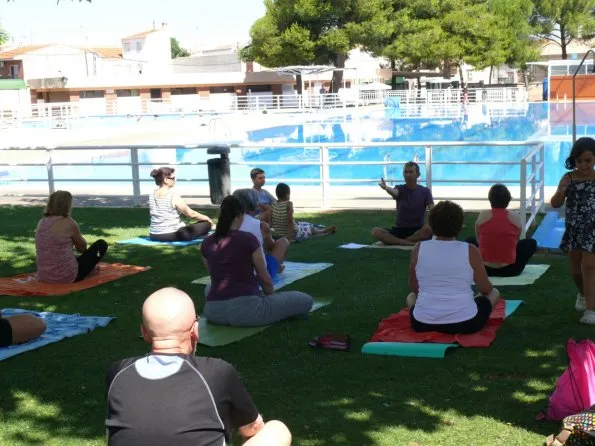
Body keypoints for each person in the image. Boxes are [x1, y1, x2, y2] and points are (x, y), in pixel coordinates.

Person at [105, 287, 292, 446]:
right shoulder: (217, 372)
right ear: (195, 330)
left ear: (144, 333)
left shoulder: (117, 372)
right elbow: (253, 427)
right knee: (277, 429)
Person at [200, 196, 313, 326]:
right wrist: (271, 299)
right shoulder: (249, 239)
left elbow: (215, 277)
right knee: (305, 300)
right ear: (240, 216)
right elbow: (264, 278)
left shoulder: (207, 242)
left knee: (209, 288)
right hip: (246, 311)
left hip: (213, 313)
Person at [406, 201, 500, 334]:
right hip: (465, 323)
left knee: (411, 297)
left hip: (422, 323)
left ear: (431, 225)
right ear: (460, 226)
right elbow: (486, 289)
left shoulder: (419, 248)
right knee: (494, 292)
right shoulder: (470, 250)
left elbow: (414, 288)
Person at [551, 137, 595, 325]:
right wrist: (561, 191)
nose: (584, 165)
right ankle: (583, 294)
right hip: (575, 228)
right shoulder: (568, 178)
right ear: (574, 160)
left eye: (588, 160)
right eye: (579, 161)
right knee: (575, 270)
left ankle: (591, 311)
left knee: (589, 267)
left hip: (593, 229)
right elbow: (555, 203)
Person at [35, 190, 108, 283]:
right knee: (101, 245)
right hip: (66, 276)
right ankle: (91, 271)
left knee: (73, 258)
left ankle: (89, 269)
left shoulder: (42, 222)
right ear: (67, 205)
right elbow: (82, 248)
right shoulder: (69, 222)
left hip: (44, 275)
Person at [466, 184, 537, 277]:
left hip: (484, 269)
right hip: (511, 270)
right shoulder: (516, 217)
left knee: (469, 242)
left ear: (490, 199)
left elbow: (478, 240)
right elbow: (516, 241)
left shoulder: (483, 215)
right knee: (531, 243)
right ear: (508, 200)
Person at [371, 161, 434, 246]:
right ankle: (408, 243)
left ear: (418, 175)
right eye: (405, 172)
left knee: (428, 229)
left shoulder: (425, 191)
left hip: (417, 230)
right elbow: (395, 193)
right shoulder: (399, 188)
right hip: (400, 230)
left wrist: (428, 225)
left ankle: (399, 241)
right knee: (376, 231)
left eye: (411, 172)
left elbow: (433, 211)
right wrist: (386, 188)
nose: (407, 175)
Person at [233, 188, 289, 279]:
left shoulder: (225, 223)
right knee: (283, 242)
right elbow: (270, 246)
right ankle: (276, 268)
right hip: (256, 275)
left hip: (228, 271)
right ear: (254, 204)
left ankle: (276, 267)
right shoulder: (260, 226)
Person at [149, 167, 213, 242]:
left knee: (193, 226)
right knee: (206, 223)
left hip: (154, 235)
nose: (175, 180)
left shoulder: (152, 195)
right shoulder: (173, 196)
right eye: (173, 178)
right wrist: (207, 218)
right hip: (173, 234)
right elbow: (191, 214)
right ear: (166, 180)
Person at [270, 183, 336, 242]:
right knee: (309, 227)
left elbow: (271, 222)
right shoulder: (288, 204)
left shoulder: (273, 205)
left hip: (280, 234)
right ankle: (323, 232)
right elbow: (289, 221)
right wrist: (289, 238)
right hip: (293, 234)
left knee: (302, 223)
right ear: (287, 195)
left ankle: (322, 230)